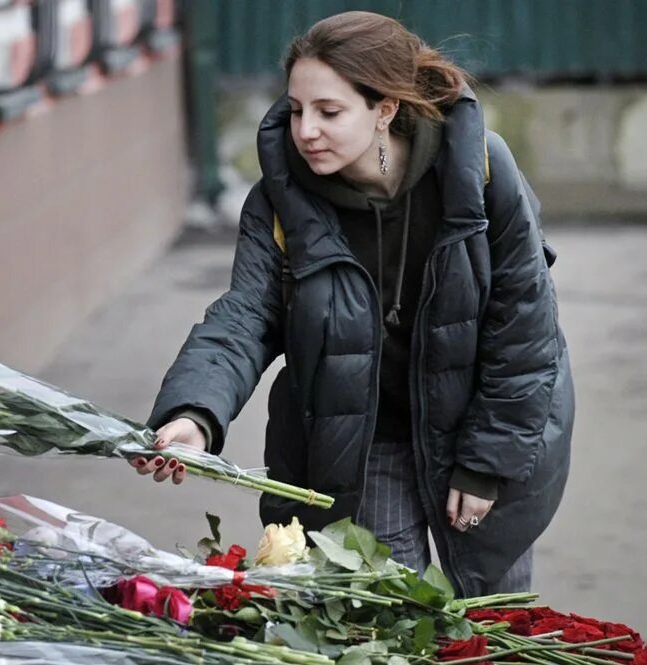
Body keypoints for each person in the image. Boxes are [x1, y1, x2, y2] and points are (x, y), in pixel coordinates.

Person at [131, 11, 574, 597]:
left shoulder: (481, 172)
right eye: (296, 110)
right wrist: (193, 413)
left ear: (385, 108)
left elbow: (525, 333)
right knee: (389, 618)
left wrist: (487, 463)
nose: (306, 130)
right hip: (365, 438)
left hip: (484, 424)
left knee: (490, 621)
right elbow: (245, 315)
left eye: (329, 112)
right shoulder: (280, 199)